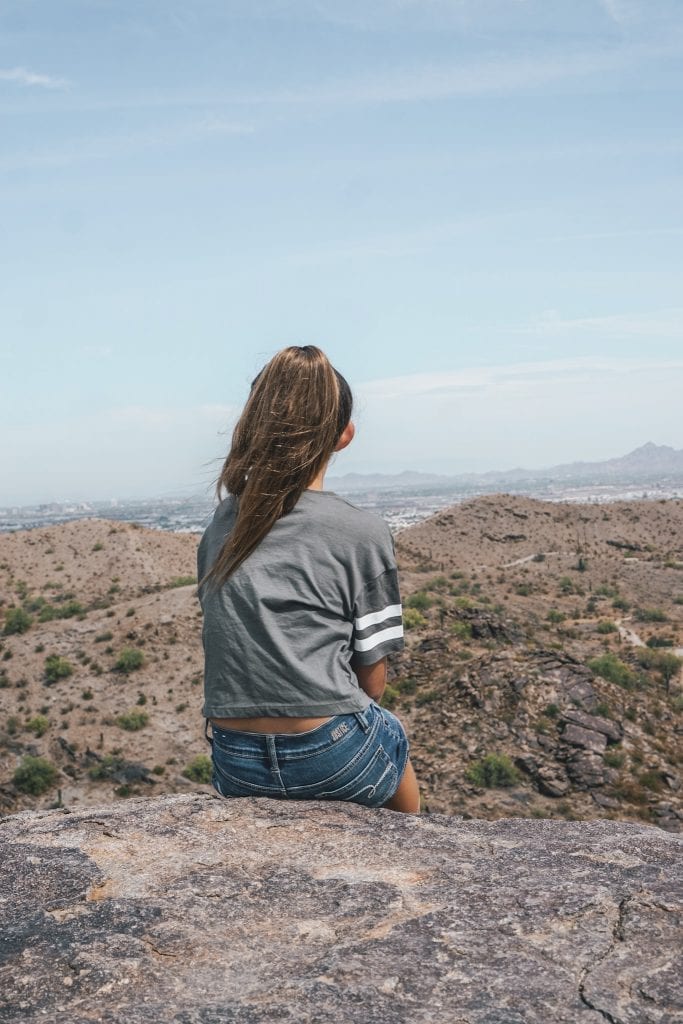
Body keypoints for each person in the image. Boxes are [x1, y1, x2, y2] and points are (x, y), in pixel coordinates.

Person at [196, 345, 420, 813]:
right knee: (391, 733)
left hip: (234, 761)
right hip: (334, 756)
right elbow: (372, 686)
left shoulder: (221, 525)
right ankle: (412, 851)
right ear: (344, 436)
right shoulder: (362, 533)